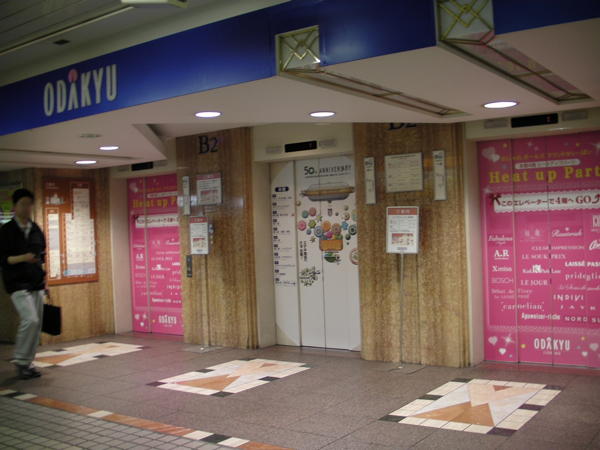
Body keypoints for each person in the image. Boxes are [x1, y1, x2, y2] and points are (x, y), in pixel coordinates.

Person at [0, 188, 47, 380]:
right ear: (15, 207)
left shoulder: (35, 229)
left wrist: (45, 281)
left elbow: (42, 256)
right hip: (17, 282)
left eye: (29, 204)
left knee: (37, 324)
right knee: (31, 319)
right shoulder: (6, 231)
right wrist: (22, 258)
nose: (27, 208)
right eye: (23, 204)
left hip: (36, 280)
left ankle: (28, 362)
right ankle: (20, 360)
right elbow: (3, 259)